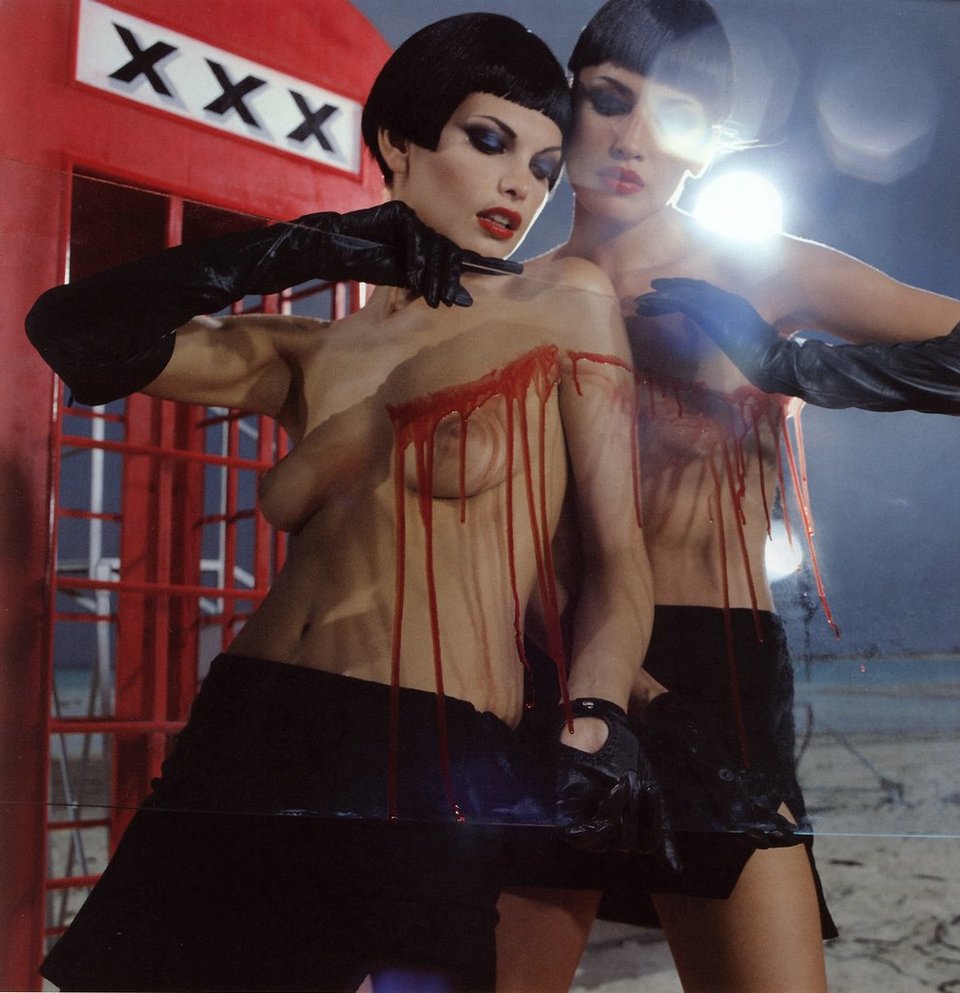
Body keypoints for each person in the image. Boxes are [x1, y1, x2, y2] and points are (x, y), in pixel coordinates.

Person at [26, 14, 658, 992]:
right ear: (398, 145)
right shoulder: (311, 352)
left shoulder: (563, 303)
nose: (519, 188)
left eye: (541, 167)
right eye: (489, 141)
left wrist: (599, 713)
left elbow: (620, 558)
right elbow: (70, 330)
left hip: (431, 753)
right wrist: (310, 245)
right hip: (248, 729)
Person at [495, 2, 960, 992]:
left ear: (708, 142)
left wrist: (787, 364)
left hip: (715, 674)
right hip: (545, 666)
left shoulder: (762, 267)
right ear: (565, 108)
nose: (633, 138)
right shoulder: (510, 293)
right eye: (609, 100)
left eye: (674, 114)